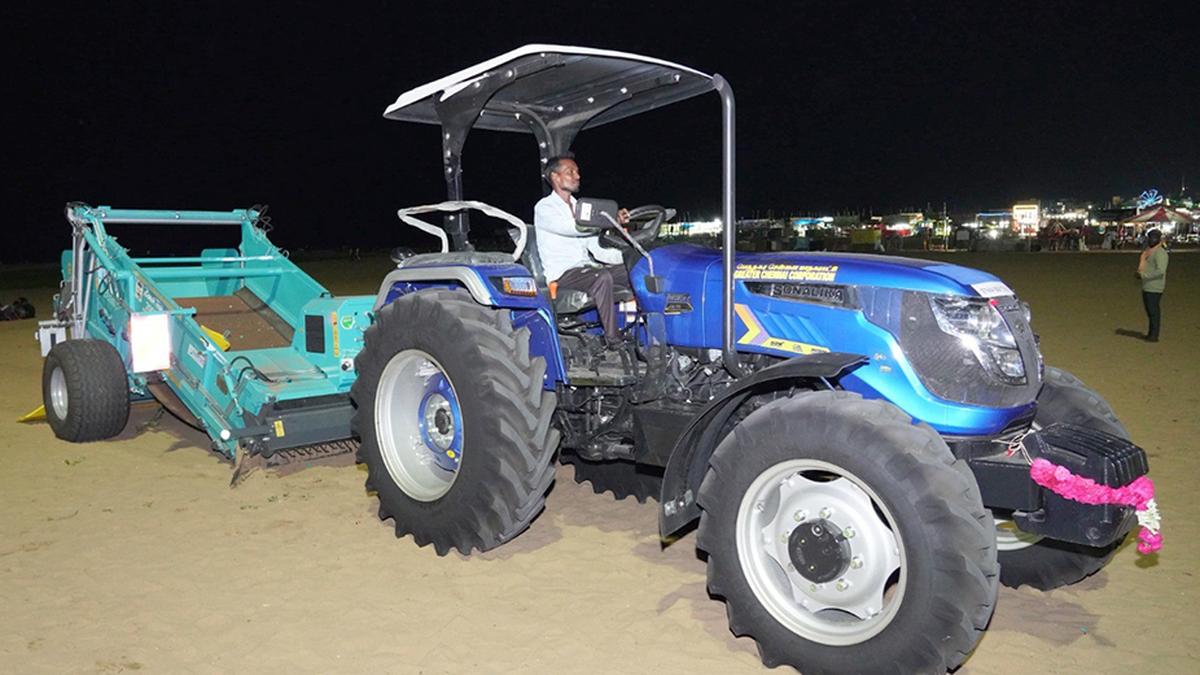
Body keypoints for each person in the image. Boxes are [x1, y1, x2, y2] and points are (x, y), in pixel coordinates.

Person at [533, 153, 631, 343]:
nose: (577, 176)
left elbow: (597, 250)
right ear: (555, 176)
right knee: (602, 277)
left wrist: (628, 256)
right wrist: (609, 219)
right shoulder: (544, 208)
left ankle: (645, 331)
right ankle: (613, 338)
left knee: (635, 270)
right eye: (570, 172)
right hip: (562, 274)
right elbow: (572, 228)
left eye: (577, 172)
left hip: (587, 269)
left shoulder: (580, 207)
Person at [1136, 228, 1169, 342]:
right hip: (1148, 285)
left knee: (1153, 311)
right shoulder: (1150, 251)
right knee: (1150, 311)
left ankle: (1154, 335)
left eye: (1154, 238)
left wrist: (1144, 275)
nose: (1151, 240)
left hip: (1155, 286)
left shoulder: (1160, 253)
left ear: (1159, 239)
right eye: (1150, 237)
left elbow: (1160, 271)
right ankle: (1151, 333)